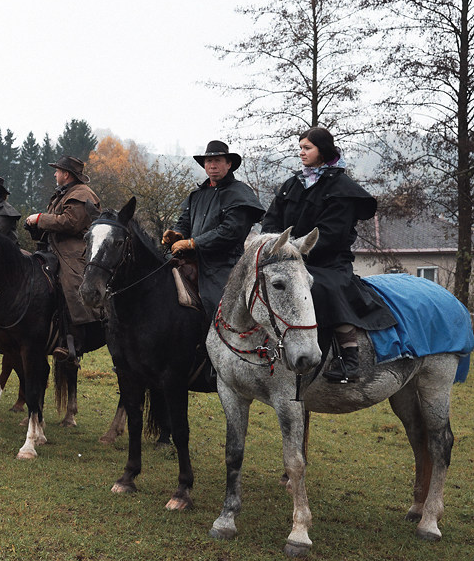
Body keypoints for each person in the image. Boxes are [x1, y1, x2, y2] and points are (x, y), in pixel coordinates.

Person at [261, 126, 396, 383]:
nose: (301, 153)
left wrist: (296, 249)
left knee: (324, 289)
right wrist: (273, 243)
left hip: (329, 263)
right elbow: (271, 220)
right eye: (300, 148)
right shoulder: (292, 184)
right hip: (288, 260)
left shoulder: (341, 187)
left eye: (307, 148)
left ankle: (349, 358)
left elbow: (332, 233)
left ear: (322, 151)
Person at [162, 140, 265, 313]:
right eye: (209, 161)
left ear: (229, 164)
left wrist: (193, 243)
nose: (212, 165)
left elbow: (231, 231)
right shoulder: (196, 195)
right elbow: (184, 222)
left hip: (224, 264)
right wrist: (177, 234)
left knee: (221, 310)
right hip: (191, 259)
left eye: (217, 160)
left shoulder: (239, 193)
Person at [24, 155, 101, 359]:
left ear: (66, 174)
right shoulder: (64, 193)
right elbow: (56, 224)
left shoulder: (83, 194)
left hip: (74, 252)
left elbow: (70, 222)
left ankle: (73, 341)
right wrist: (35, 227)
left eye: (57, 170)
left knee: (70, 284)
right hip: (53, 249)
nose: (55, 173)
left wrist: (41, 219)